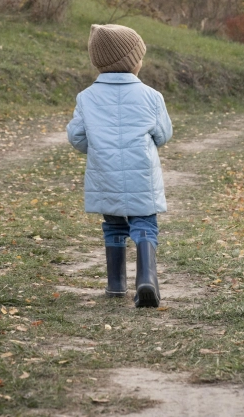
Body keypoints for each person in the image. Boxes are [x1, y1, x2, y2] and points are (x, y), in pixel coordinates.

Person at [66, 24, 173, 307]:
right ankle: (147, 278)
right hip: (142, 176)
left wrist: (99, 146)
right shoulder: (151, 96)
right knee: (145, 224)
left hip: (105, 176)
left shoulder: (86, 98)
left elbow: (77, 137)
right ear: (133, 62)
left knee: (113, 225)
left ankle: (115, 284)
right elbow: (163, 135)